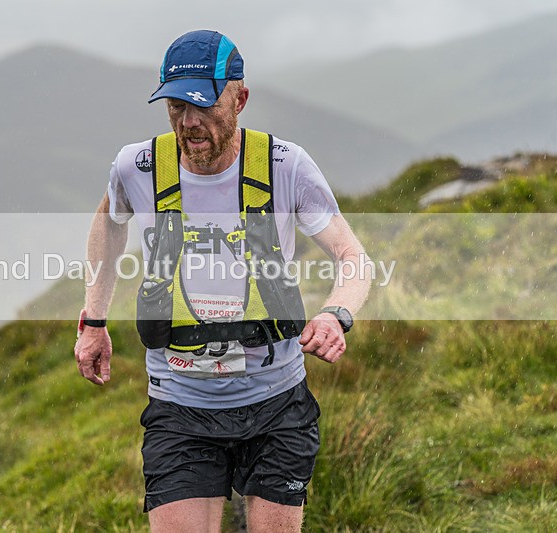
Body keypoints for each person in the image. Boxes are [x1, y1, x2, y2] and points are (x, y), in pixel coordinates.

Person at [74, 30, 371, 532]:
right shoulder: (137, 166)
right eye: (175, 107)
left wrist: (335, 313)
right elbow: (108, 222)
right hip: (179, 405)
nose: (188, 123)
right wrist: (94, 321)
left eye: (203, 106)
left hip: (278, 402)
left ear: (240, 98)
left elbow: (353, 257)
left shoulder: (285, 167)